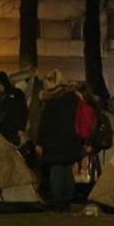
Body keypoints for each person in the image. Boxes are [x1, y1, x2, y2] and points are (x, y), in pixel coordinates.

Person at [35, 69, 80, 213]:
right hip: (72, 140)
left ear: (52, 82)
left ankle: (57, 203)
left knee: (56, 173)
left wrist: (39, 142)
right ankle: (67, 203)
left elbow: (44, 124)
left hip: (54, 142)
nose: (45, 86)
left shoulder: (51, 100)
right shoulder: (73, 98)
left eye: (46, 83)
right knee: (68, 172)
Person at [0, 71, 28, 146]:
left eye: (0, 84)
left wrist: (21, 128)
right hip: (2, 128)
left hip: (13, 129)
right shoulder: (0, 95)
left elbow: (23, 111)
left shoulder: (17, 93)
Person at [74, 84, 101, 181]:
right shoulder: (93, 107)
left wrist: (90, 143)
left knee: (86, 171)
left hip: (86, 143)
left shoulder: (85, 108)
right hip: (86, 144)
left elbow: (92, 127)